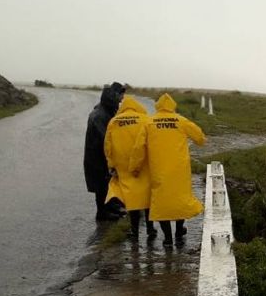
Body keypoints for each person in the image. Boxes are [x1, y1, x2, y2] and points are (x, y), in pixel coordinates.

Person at [130, 93, 206, 246]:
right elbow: (200, 138)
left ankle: (168, 238)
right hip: (179, 170)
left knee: (161, 202)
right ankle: (179, 231)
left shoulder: (149, 122)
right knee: (180, 200)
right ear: (172, 106)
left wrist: (135, 167)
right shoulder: (181, 120)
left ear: (158, 106)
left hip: (159, 170)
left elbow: (138, 148)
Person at [104, 95, 156, 238]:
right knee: (147, 197)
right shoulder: (145, 119)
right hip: (144, 164)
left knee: (132, 198)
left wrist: (111, 165)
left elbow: (108, 146)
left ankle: (134, 231)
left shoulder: (114, 122)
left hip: (123, 166)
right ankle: (150, 229)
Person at [84, 82, 125, 220]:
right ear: (114, 96)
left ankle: (110, 206)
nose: (122, 99)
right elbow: (105, 138)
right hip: (97, 155)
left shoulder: (106, 111)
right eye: (120, 95)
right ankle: (102, 213)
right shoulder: (99, 115)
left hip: (101, 154)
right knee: (101, 184)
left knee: (107, 182)